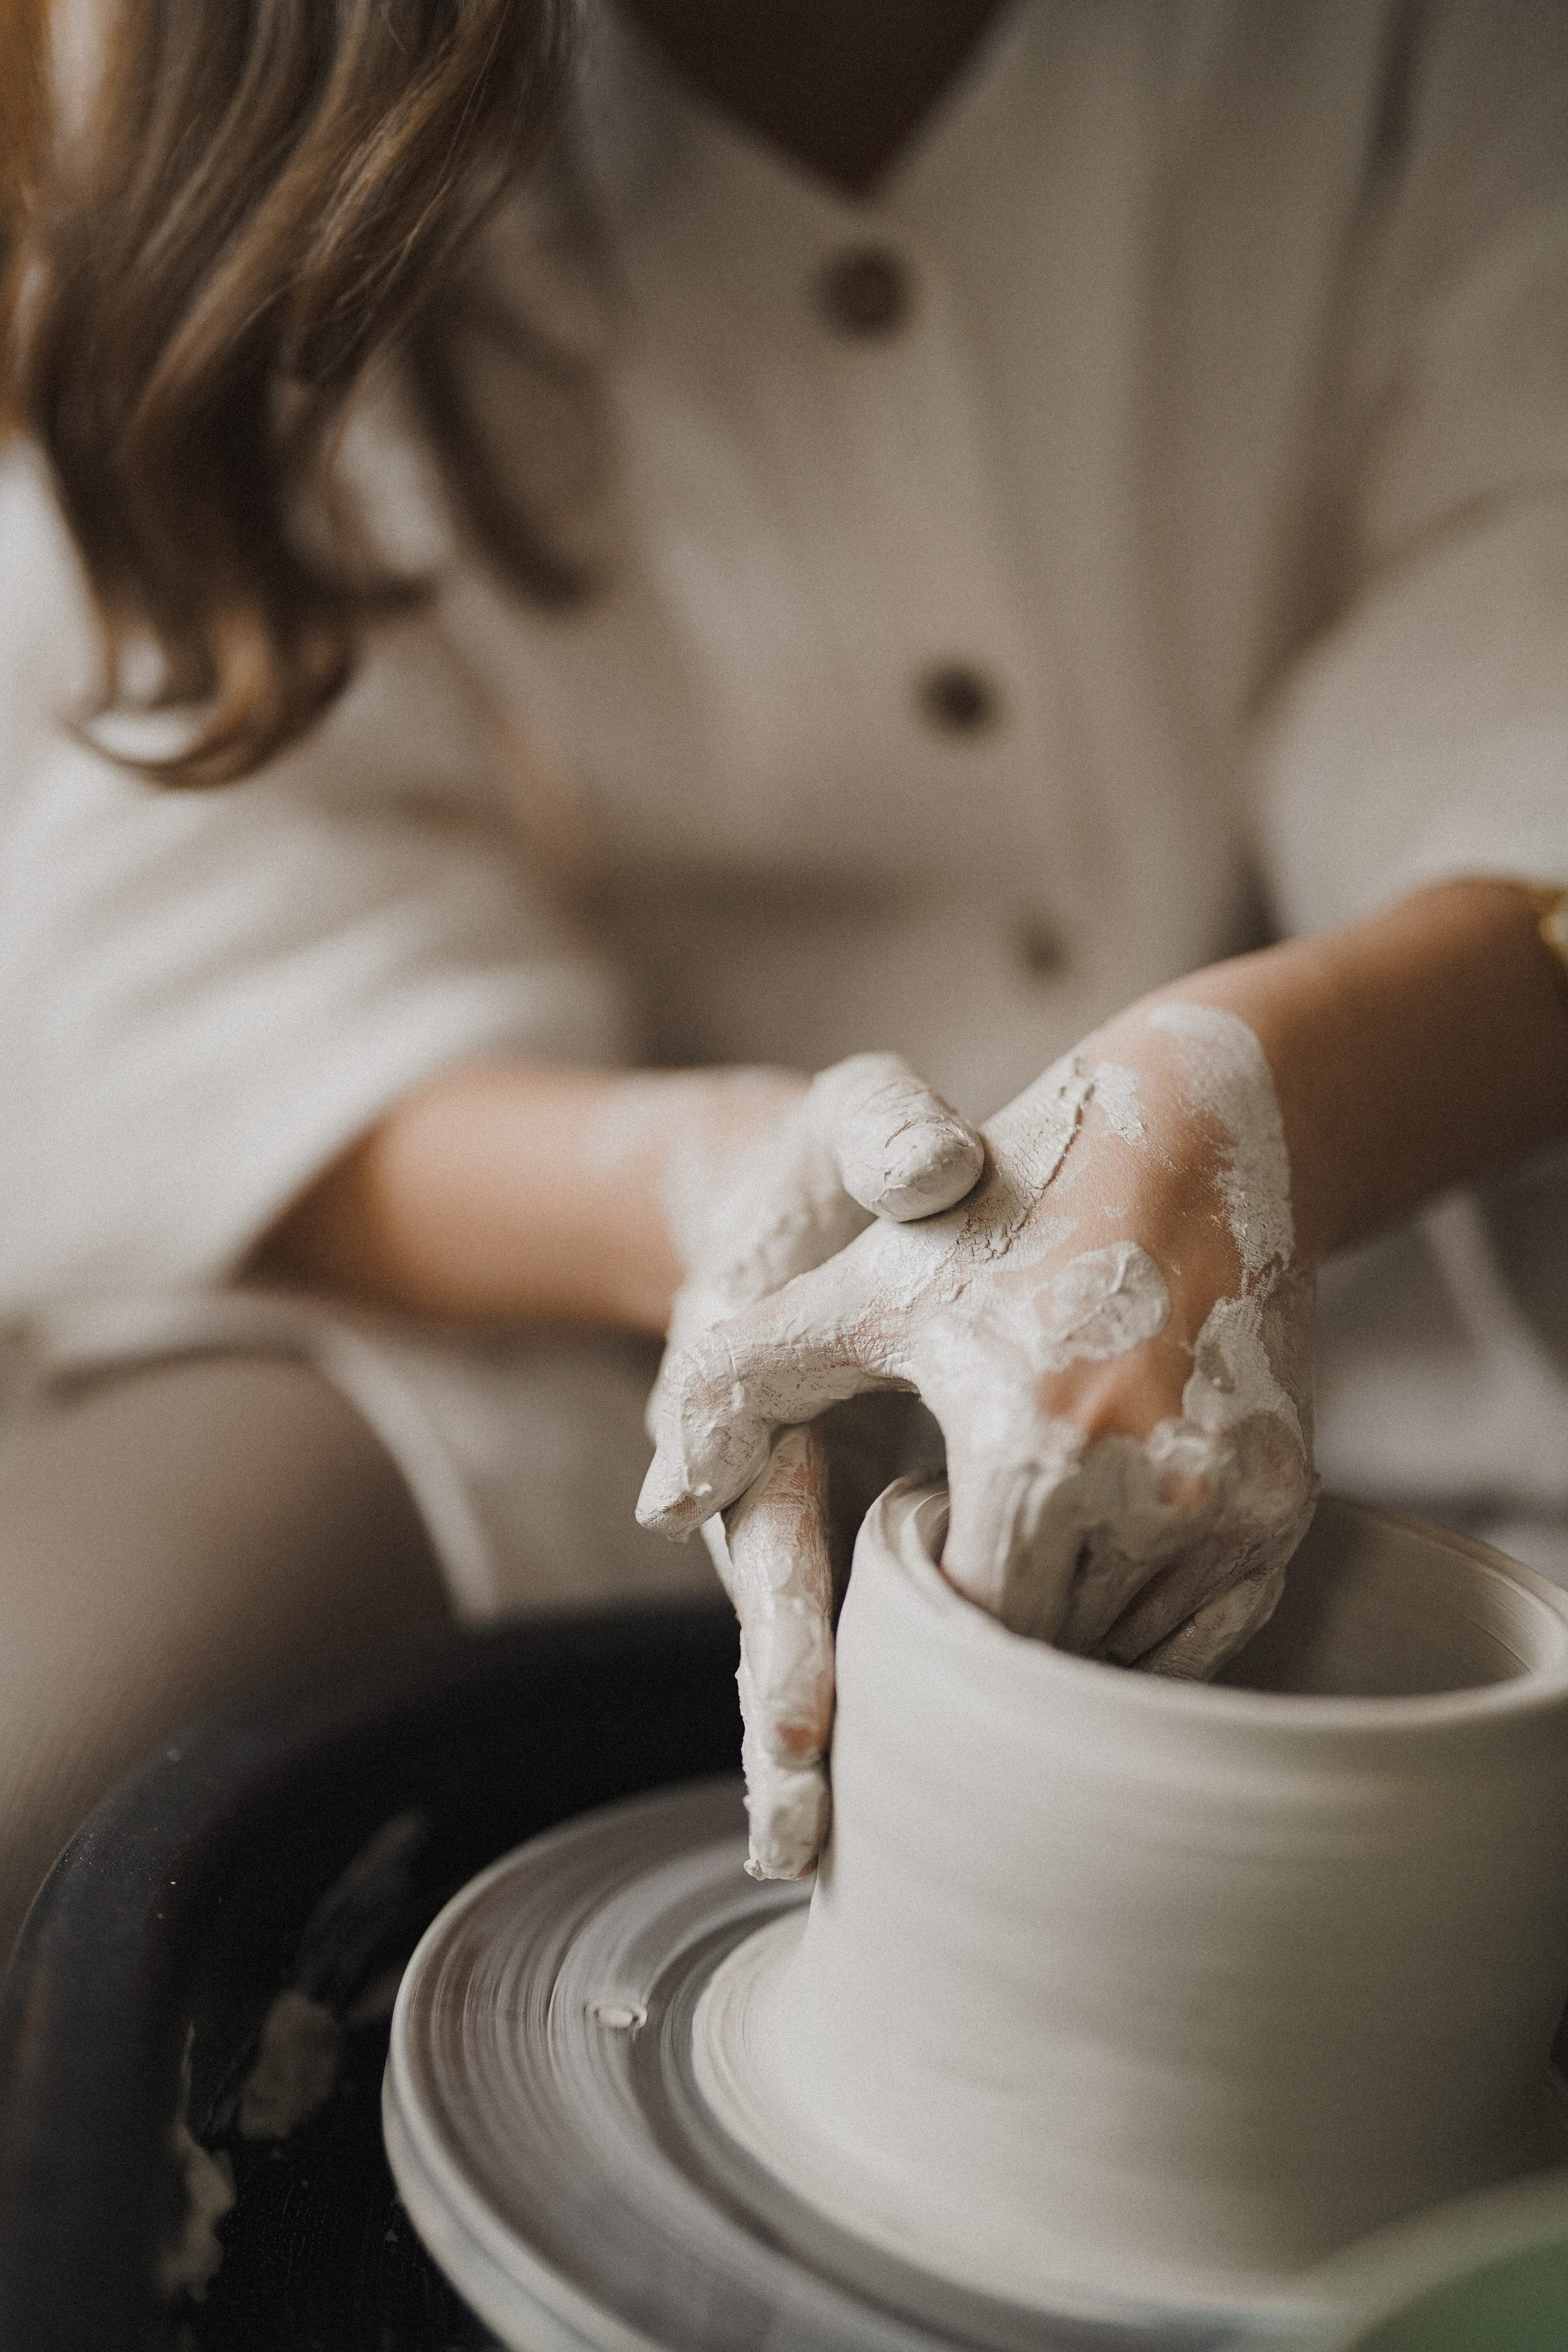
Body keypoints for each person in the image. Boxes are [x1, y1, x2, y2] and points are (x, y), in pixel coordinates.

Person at [1, 0, 1566, 1939]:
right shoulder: (215, 64)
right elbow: (207, 946)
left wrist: (1246, 1103)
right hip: (631, 1297)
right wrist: (716, 1190)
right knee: (49, 1789)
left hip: (1418, 1194)